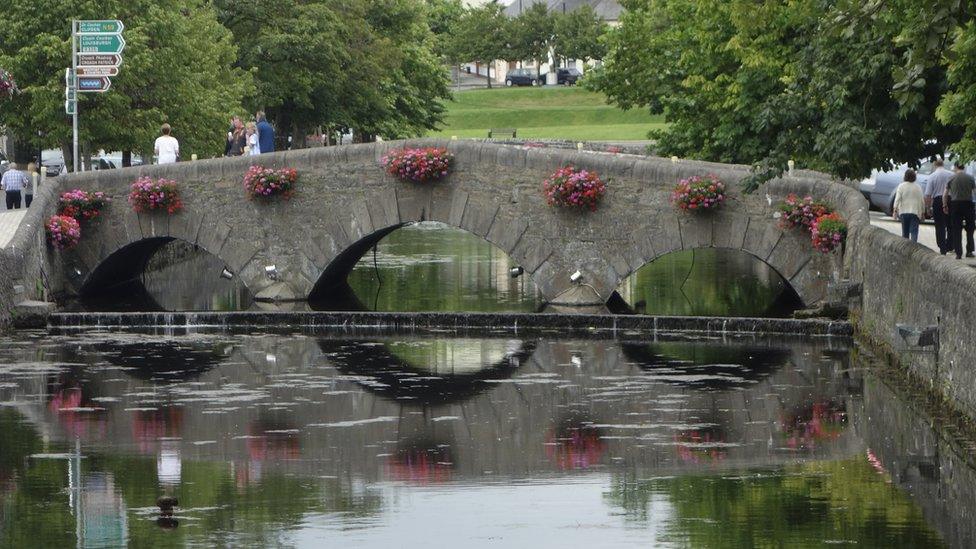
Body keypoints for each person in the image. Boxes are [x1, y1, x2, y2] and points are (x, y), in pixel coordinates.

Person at [943, 161, 976, 259]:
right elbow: (975, 192)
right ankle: (969, 251)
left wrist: (944, 205)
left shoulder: (951, 178)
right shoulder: (970, 178)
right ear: (963, 167)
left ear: (956, 167)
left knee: (956, 229)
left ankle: (958, 253)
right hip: (968, 204)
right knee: (970, 228)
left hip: (955, 204)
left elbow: (945, 193)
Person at [924, 159, 953, 254]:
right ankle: (949, 245)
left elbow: (928, 194)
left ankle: (942, 247)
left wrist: (928, 208)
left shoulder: (932, 176)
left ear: (934, 165)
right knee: (950, 224)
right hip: (949, 199)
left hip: (937, 200)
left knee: (939, 225)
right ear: (943, 164)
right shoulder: (951, 175)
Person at [893, 169, 925, 242]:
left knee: (905, 233)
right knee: (914, 232)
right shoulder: (918, 187)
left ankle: (905, 250)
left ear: (905, 176)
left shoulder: (901, 186)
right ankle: (914, 249)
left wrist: (895, 211)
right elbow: (922, 201)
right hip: (915, 212)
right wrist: (923, 213)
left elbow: (897, 199)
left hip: (903, 212)